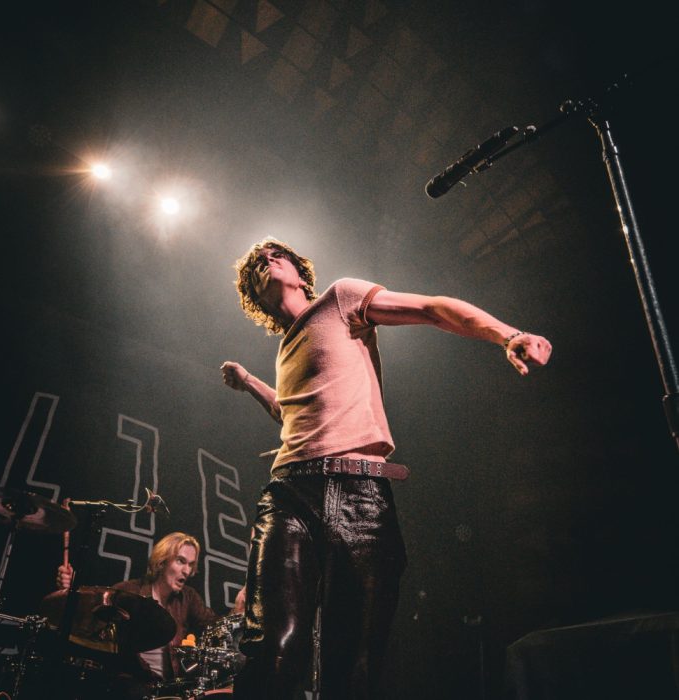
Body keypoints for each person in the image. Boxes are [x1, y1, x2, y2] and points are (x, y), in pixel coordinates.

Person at [220, 237, 552, 700]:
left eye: (277, 255)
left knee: (353, 663)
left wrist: (508, 335)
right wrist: (250, 382)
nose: (267, 260)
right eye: (257, 263)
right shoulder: (284, 350)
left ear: (299, 272)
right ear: (255, 298)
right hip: (288, 493)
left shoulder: (340, 299)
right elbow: (290, 413)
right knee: (272, 647)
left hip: (360, 492)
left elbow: (431, 308)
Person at [56, 532, 221, 695]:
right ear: (162, 561)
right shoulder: (128, 592)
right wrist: (70, 595)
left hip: (170, 688)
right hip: (130, 685)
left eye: (191, 564)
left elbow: (216, 624)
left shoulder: (188, 597)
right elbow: (88, 626)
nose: (187, 571)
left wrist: (235, 610)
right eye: (181, 561)